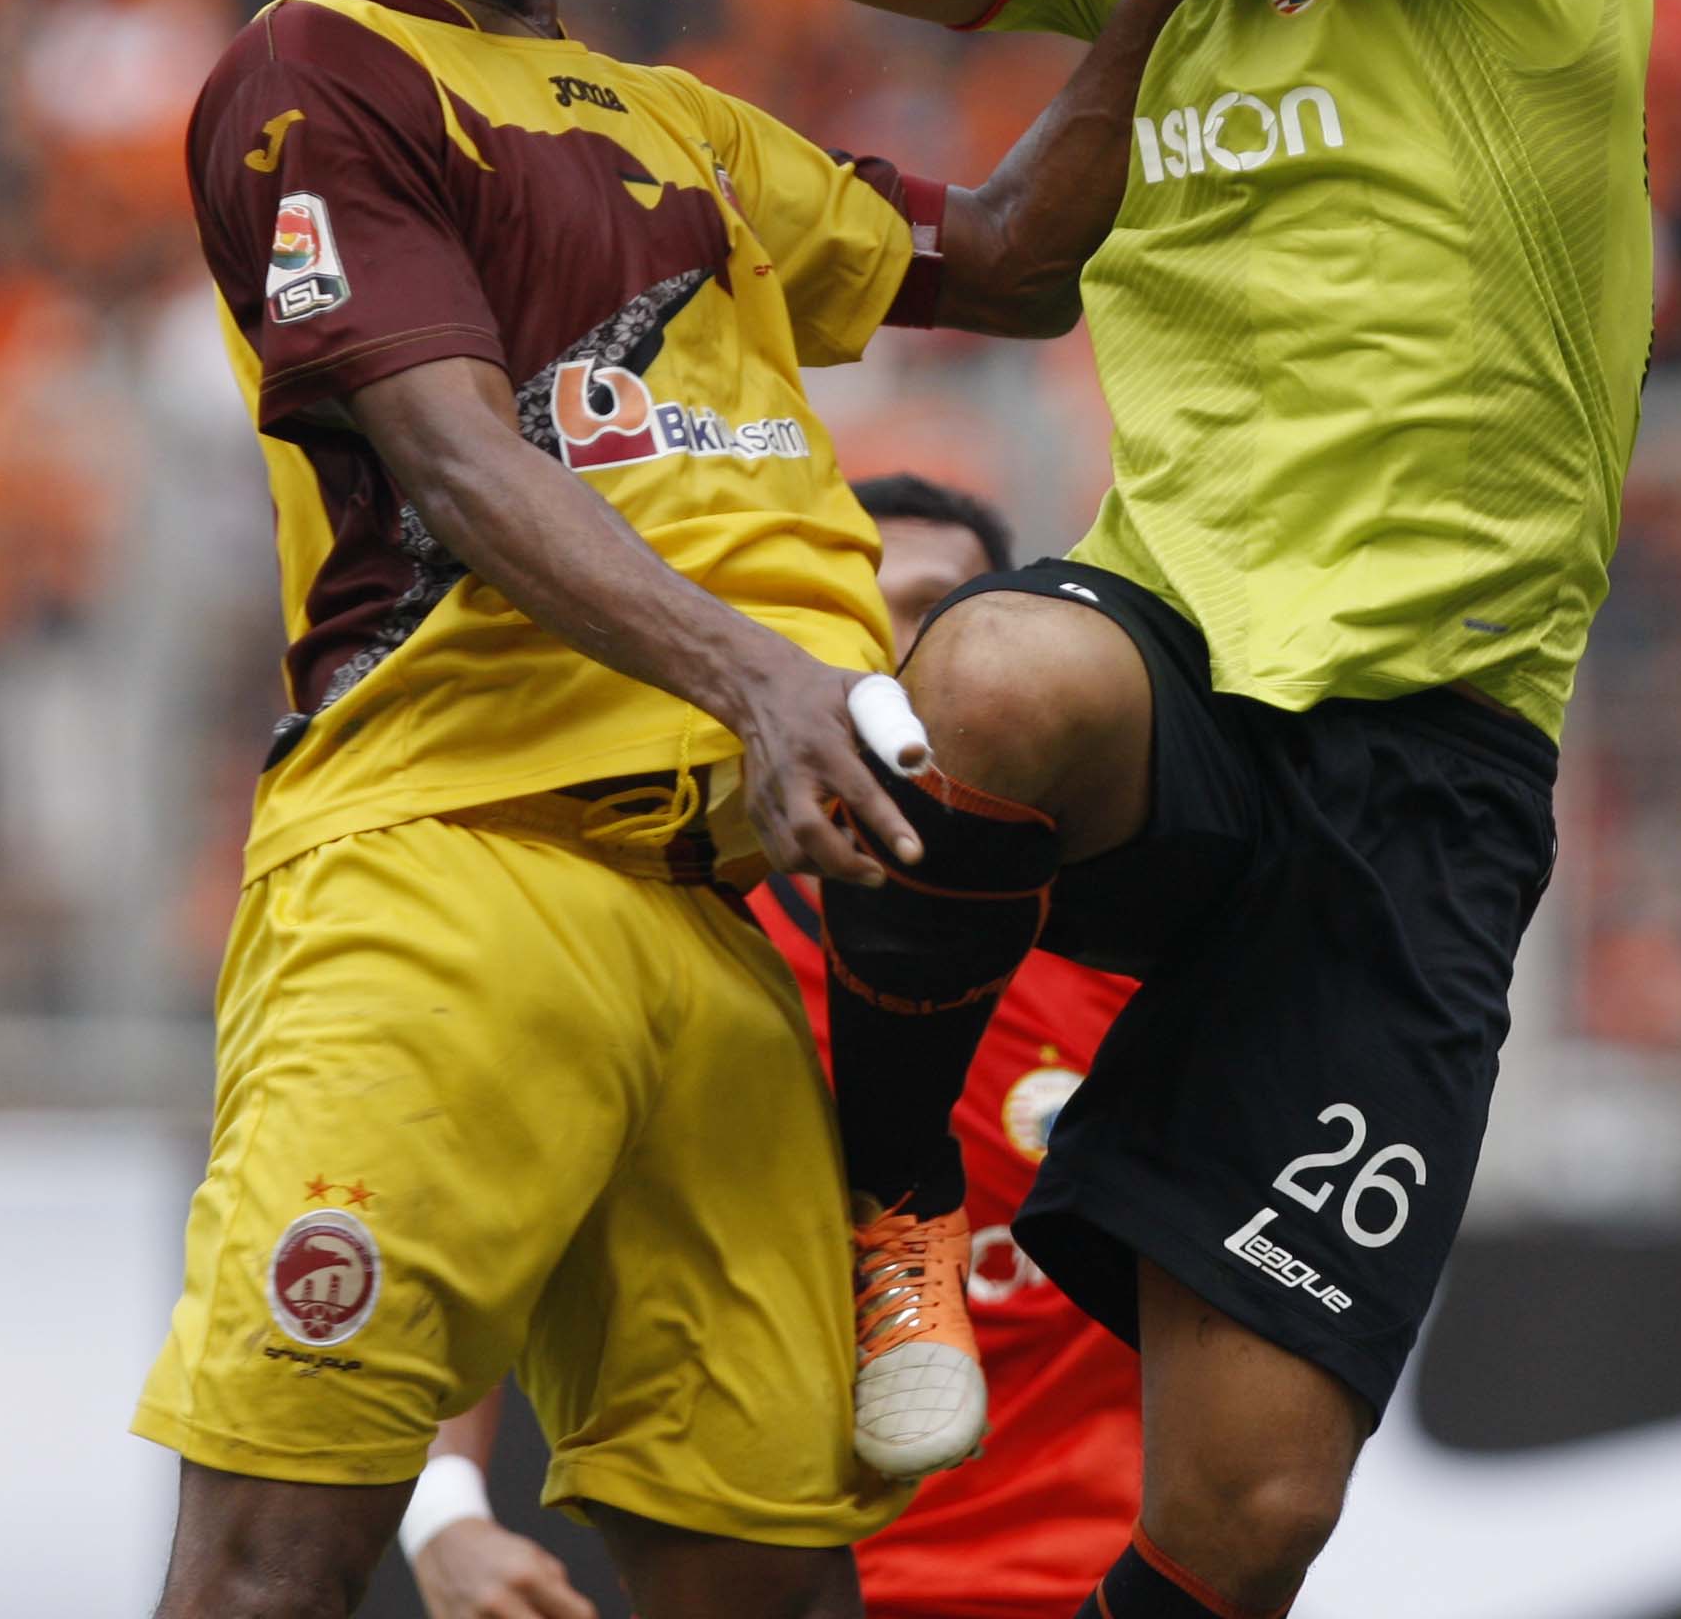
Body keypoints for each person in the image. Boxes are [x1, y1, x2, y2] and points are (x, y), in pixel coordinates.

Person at [436, 0, 1653, 1619]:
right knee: (989, 672)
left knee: (1245, 1518)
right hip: (1174, 684)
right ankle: (901, 1193)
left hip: (1422, 776)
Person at [134, 0, 1299, 1619]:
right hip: (453, 867)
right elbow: (453, 455)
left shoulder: (686, 128)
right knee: (265, 1568)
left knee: (762, 1582)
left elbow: (1012, 257)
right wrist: (762, 677)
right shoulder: (311, 77)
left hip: (726, 923)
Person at [396, 474, 1147, 1619]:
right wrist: (445, 1511)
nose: (884, 657)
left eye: (933, 611)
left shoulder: (1119, 961)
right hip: (796, 1582)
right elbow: (484, 1222)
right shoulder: (679, 941)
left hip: (1089, 1584)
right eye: (845, 613)